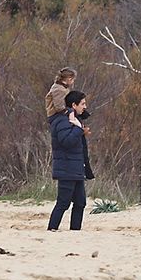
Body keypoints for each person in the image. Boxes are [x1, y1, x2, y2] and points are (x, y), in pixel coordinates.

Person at [48, 91, 92, 231]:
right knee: (63, 202)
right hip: (66, 168)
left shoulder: (74, 119)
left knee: (80, 203)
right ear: (74, 105)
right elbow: (66, 141)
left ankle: (75, 231)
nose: (85, 106)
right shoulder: (62, 120)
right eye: (83, 103)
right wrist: (79, 129)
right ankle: (52, 229)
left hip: (76, 168)